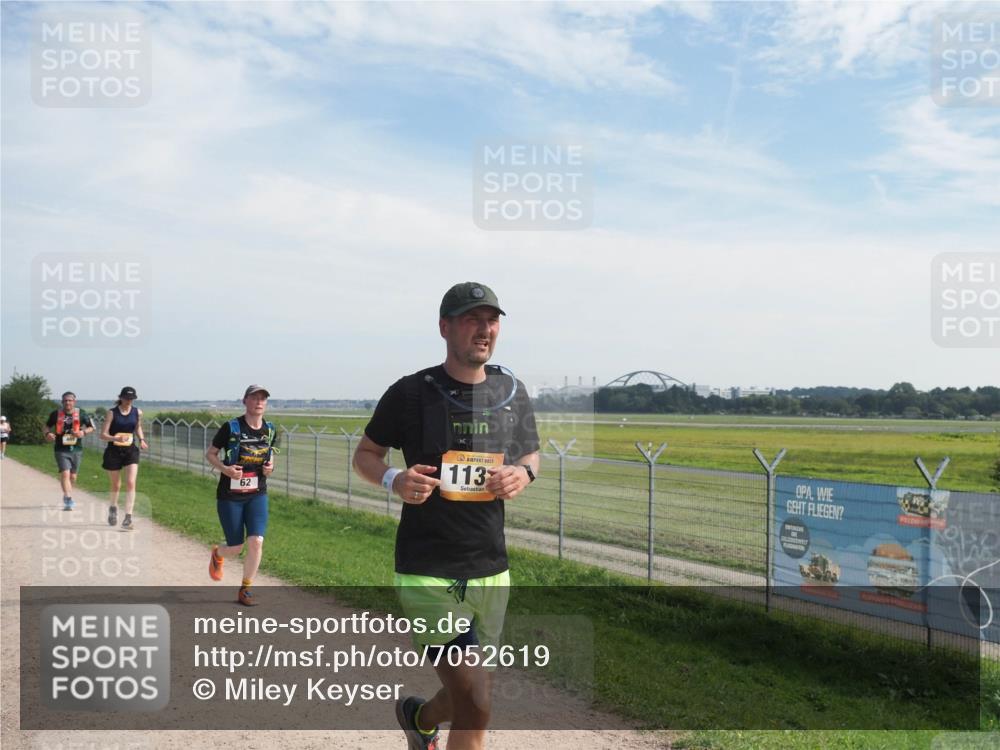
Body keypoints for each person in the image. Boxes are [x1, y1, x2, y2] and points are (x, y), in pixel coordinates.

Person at [353, 282, 539, 750]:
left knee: (468, 696)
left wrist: (523, 474)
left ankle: (419, 718)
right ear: (445, 327)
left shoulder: (510, 392)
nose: (485, 329)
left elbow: (532, 455)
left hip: (492, 568)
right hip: (428, 569)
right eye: (472, 319)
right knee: (476, 700)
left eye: (492, 320)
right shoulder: (412, 392)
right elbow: (366, 455)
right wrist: (394, 479)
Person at [205, 385, 277, 606]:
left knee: (256, 542)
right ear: (244, 401)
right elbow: (211, 453)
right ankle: (218, 553)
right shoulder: (231, 427)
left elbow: (269, 456)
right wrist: (225, 469)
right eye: (254, 397)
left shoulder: (271, 430)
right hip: (230, 495)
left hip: (257, 494)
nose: (259, 402)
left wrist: (270, 467)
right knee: (236, 548)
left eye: (263, 398)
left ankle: (246, 588)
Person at [99, 386, 149, 530]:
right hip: (113, 451)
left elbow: (137, 427)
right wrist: (116, 438)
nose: (129, 401)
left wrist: (142, 439)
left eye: (132, 399)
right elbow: (103, 435)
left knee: (131, 482)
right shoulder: (111, 413)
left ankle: (128, 517)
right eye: (127, 398)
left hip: (130, 451)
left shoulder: (137, 412)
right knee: (116, 485)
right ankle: (113, 508)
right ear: (120, 398)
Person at [44, 392, 96, 510]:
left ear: (74, 402)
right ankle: (68, 498)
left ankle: (67, 494)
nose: (68, 402)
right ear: (62, 402)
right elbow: (46, 426)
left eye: (70, 400)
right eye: (65, 400)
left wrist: (83, 432)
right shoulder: (56, 414)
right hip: (61, 448)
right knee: (65, 473)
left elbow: (92, 427)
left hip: (76, 449)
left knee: (73, 477)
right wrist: (47, 434)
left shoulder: (81, 413)